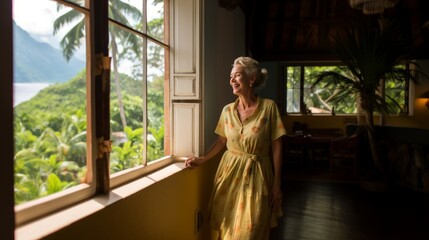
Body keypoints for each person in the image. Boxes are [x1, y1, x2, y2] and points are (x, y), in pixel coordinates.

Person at [185, 56, 286, 240]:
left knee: (252, 229)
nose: (231, 80)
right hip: (229, 175)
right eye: (231, 76)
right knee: (228, 228)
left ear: (251, 79)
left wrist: (277, 184)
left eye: (237, 75)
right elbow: (221, 142)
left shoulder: (269, 108)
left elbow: (277, 146)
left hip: (258, 175)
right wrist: (202, 159)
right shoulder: (227, 111)